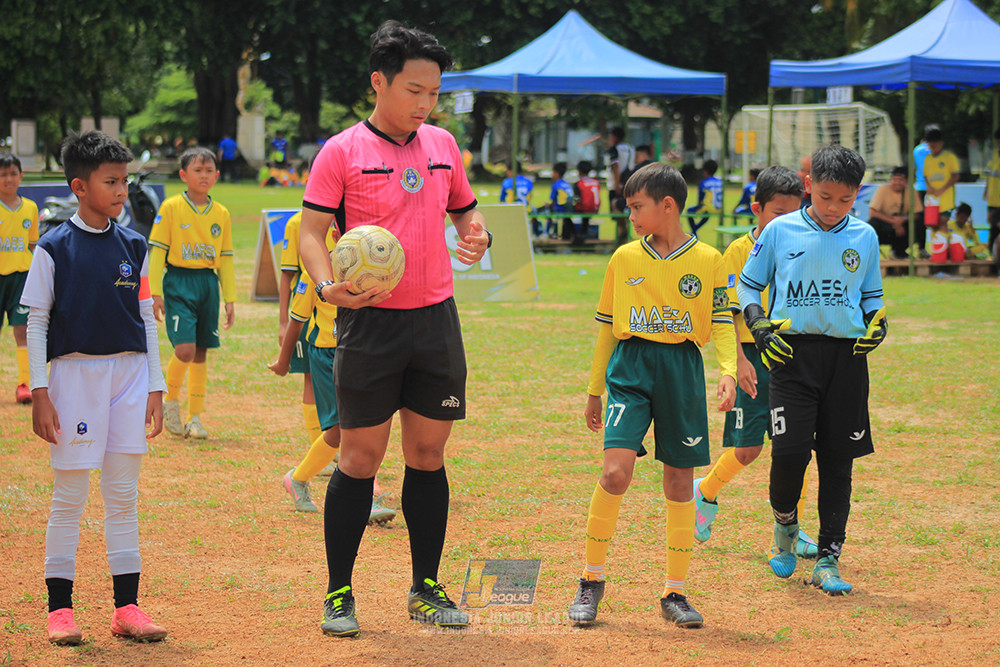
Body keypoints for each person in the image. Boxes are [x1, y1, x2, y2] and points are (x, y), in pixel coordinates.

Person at [297, 20, 490, 638]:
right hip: (370, 324)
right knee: (359, 457)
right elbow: (308, 232)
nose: (425, 104)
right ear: (379, 81)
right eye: (413, 90)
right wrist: (328, 287)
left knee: (428, 454)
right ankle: (338, 593)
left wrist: (474, 234)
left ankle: (425, 587)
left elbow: (465, 211)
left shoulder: (442, 146)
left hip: (435, 321)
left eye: (433, 93)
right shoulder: (342, 152)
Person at [566, 162, 737, 629]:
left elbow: (722, 320)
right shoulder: (623, 258)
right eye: (628, 208)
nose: (631, 216)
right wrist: (593, 390)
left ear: (667, 206)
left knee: (680, 483)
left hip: (681, 369)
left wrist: (727, 370)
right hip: (631, 367)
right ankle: (590, 579)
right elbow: (605, 326)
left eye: (637, 207)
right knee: (615, 473)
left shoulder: (708, 260)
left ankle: (675, 592)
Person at [21, 131, 168, 645]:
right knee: (70, 496)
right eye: (111, 181)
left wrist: (156, 383)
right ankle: (59, 609)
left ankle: (126, 607)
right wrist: (40, 391)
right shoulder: (53, 246)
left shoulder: (135, 245)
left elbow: (146, 316)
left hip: (128, 378)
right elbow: (36, 322)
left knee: (123, 497)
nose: (122, 190)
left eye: (125, 180)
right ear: (80, 187)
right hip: (74, 378)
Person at [738, 144, 887, 596]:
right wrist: (759, 325)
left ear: (858, 194)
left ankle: (828, 557)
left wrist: (878, 325)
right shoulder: (780, 231)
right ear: (808, 187)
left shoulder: (865, 237)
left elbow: (872, 299)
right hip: (790, 357)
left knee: (838, 462)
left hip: (846, 361)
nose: (833, 208)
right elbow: (747, 284)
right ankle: (785, 530)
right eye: (824, 197)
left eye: (845, 200)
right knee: (789, 453)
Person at [693, 165, 818, 559]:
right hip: (753, 357)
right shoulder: (738, 252)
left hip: (794, 359)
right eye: (779, 214)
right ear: (757, 208)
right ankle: (705, 493)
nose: (789, 222)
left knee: (794, 448)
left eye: (797, 213)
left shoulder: (807, 244)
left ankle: (790, 528)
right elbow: (728, 313)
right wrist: (739, 363)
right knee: (748, 450)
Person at [268, 264, 396, 524]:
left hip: (362, 352)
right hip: (327, 354)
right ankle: (366, 498)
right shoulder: (315, 272)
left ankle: (298, 478)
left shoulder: (370, 265)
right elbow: (297, 320)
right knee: (346, 428)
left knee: (357, 427)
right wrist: (284, 361)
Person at [148, 146, 236, 440]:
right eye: (198, 170)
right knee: (184, 349)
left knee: (200, 352)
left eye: (209, 171)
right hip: (179, 282)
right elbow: (157, 252)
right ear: (184, 175)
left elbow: (225, 257)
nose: (204, 176)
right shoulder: (171, 207)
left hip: (207, 284)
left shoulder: (221, 213)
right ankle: (169, 399)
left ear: (217, 176)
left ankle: (195, 418)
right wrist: (154, 292)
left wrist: (230, 298)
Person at [278, 211, 332, 471]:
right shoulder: (297, 222)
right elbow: (288, 274)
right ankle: (318, 451)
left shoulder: (352, 216)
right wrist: (282, 323)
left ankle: (330, 451)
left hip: (338, 310)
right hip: (307, 303)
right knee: (310, 376)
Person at [0, 152, 38, 404]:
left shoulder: (30, 208)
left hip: (21, 278)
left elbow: (33, 246)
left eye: (13, 173)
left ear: (21, 176)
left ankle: (24, 384)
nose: (8, 179)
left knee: (22, 331)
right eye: (3, 174)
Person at [866, 166, 924, 259]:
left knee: (919, 223)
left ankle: (903, 252)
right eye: (894, 179)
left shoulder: (911, 191)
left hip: (903, 224)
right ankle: (869, 254)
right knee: (872, 224)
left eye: (900, 180)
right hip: (886, 223)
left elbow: (916, 213)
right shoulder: (883, 189)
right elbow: (873, 212)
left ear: (906, 181)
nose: (897, 183)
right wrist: (894, 221)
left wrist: (902, 220)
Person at [923, 126, 960, 229]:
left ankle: (944, 244)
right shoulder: (928, 158)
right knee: (932, 224)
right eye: (931, 144)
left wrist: (943, 189)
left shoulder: (949, 157)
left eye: (936, 144)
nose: (933, 146)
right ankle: (935, 245)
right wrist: (928, 186)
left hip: (945, 198)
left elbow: (956, 176)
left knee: (943, 223)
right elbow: (925, 175)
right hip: (932, 198)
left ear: (942, 143)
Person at [606, 127, 636, 244]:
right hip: (630, 182)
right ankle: (625, 234)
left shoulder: (614, 149)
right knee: (627, 209)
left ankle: (621, 236)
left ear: (614, 137)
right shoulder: (631, 148)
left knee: (617, 209)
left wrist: (617, 183)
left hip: (616, 185)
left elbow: (615, 167)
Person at [686, 159, 722, 237]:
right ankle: (694, 230)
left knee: (690, 211)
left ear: (705, 171)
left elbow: (700, 199)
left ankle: (694, 232)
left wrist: (698, 207)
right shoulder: (720, 182)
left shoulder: (704, 182)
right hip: (719, 208)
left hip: (708, 208)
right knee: (706, 212)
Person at [542, 161, 574, 239]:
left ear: (556, 173)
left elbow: (554, 201)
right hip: (569, 209)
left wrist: (547, 205)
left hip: (560, 209)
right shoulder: (567, 184)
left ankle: (548, 232)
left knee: (545, 211)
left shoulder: (555, 185)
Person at [500, 163, 535, 233]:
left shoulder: (507, 182)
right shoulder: (528, 182)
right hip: (526, 209)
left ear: (511, 171)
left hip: (510, 210)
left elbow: (502, 199)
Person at [573, 160, 601, 244]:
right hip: (595, 208)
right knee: (585, 213)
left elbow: (577, 199)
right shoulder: (596, 182)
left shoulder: (579, 183)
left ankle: (576, 235)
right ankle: (582, 234)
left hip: (584, 208)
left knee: (566, 213)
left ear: (579, 171)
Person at [983, 127, 1000, 257]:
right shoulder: (995, 155)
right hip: (993, 198)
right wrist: (986, 190)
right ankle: (992, 256)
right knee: (993, 227)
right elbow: (990, 176)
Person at [913, 126, 936, 205]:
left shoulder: (917, 149)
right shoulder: (937, 150)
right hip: (936, 187)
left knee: (921, 213)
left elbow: (914, 167)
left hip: (920, 186)